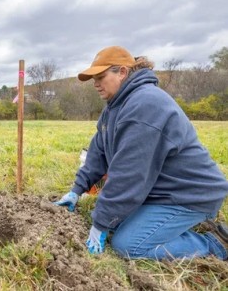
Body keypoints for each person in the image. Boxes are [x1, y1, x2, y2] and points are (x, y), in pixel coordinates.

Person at [54, 46, 228, 260]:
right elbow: (98, 150)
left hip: (190, 193)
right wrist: (76, 190)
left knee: (128, 245)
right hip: (161, 191)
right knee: (116, 223)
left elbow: (130, 174)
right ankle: (174, 225)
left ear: (122, 72)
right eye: (93, 79)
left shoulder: (145, 105)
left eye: (101, 76)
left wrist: (100, 223)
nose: (96, 84)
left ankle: (216, 244)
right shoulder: (115, 106)